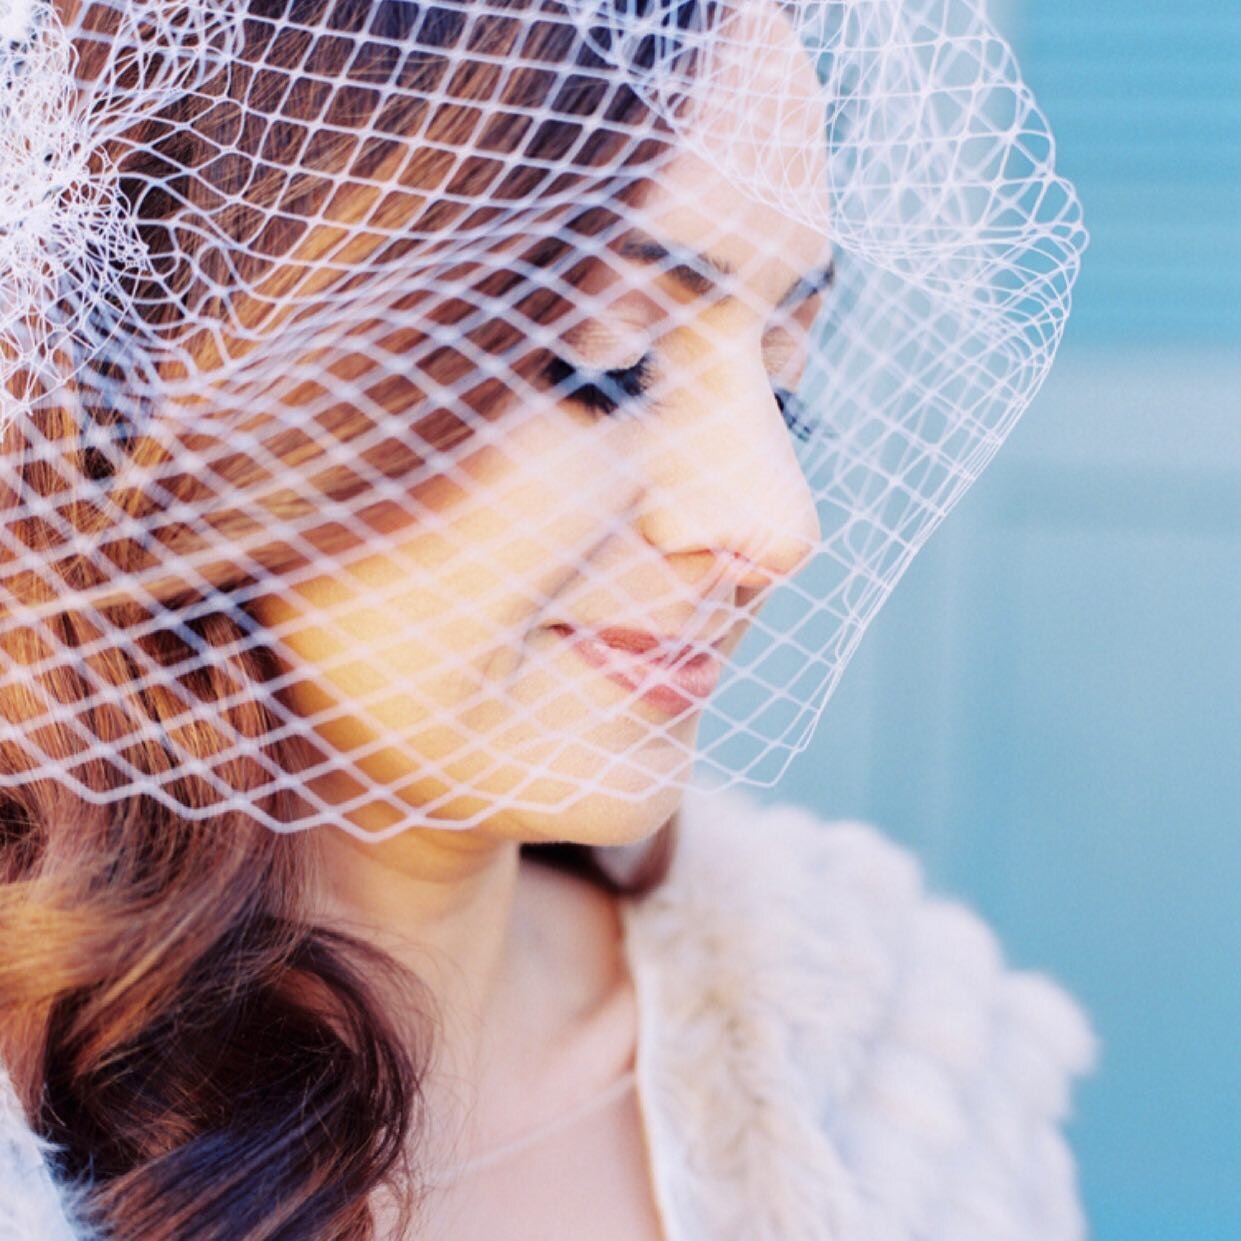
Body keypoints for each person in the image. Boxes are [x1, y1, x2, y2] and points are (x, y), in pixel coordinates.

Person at [0, 2, 1094, 1239]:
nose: (773, 521)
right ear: (199, 372)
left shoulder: (893, 1077)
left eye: (782, 388)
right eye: (599, 360)